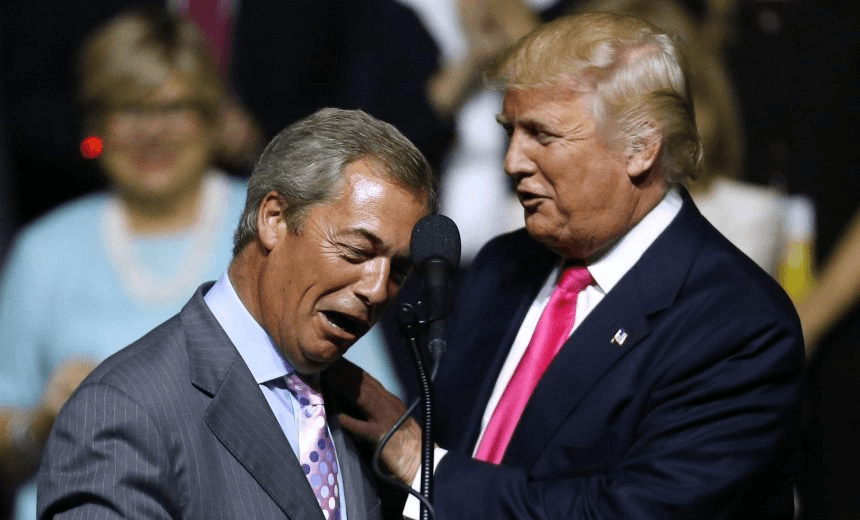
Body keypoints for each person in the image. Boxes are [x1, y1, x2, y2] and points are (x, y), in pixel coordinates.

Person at [334, 12, 805, 519]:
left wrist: (418, 459)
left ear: (641, 146)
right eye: (510, 130)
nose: (513, 160)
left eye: (542, 134)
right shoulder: (500, 266)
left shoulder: (738, 323)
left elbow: (635, 513)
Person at [36, 107, 433, 519]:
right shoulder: (125, 410)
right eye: (357, 251)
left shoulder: (369, 418)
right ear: (274, 218)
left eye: (398, 271)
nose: (376, 289)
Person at [0, 9, 249, 520]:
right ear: (97, 125)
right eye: (129, 109)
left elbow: (370, 414)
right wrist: (44, 421)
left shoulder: (272, 228)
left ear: (210, 117)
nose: (151, 131)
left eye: (174, 107)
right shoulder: (43, 250)